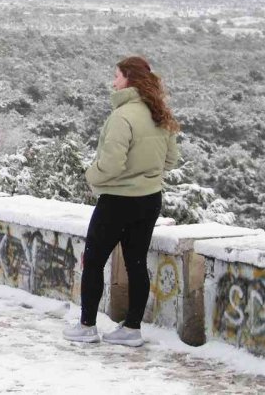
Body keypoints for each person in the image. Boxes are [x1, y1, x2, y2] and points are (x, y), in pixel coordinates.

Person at [63, 56, 179, 346]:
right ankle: (132, 328)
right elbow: (171, 160)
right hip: (150, 199)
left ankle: (87, 326)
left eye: (117, 75)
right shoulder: (159, 113)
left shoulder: (122, 116)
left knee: (94, 261)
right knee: (136, 263)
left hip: (117, 200)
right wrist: (146, 174)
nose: (113, 81)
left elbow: (112, 163)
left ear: (129, 78)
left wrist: (91, 175)